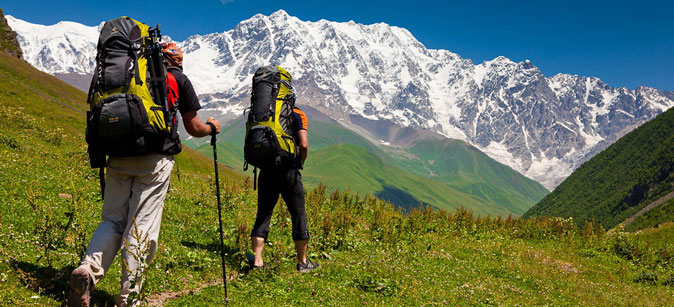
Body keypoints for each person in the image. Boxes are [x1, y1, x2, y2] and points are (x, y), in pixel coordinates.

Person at [69, 42, 220, 307]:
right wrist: (211, 128)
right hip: (153, 159)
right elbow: (194, 127)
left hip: (117, 156)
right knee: (141, 227)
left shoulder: (125, 75)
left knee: (112, 221)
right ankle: (129, 298)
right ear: (177, 60)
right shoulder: (175, 78)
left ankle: (87, 271)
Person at [250, 103, 320, 273]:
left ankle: (257, 261)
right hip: (290, 170)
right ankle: (302, 262)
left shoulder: (264, 114)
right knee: (298, 214)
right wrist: (300, 162)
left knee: (263, 214)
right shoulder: (297, 114)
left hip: (266, 170)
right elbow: (303, 145)